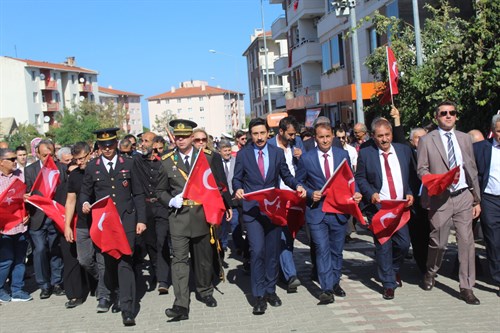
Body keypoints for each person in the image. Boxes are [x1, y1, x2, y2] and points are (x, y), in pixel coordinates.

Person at [156, 119, 231, 321]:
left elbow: (218, 186)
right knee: (179, 261)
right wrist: (170, 200)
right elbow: (159, 190)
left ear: (191, 137)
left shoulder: (206, 157)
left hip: (201, 215)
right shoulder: (166, 160)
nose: (180, 140)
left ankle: (205, 291)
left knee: (203, 258)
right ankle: (181, 304)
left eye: (184, 137)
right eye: (177, 137)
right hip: (178, 218)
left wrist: (223, 208)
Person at [232, 117, 306, 315]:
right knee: (257, 252)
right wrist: (238, 189)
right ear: (250, 135)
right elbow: (237, 178)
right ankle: (258, 296)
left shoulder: (276, 153)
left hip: (273, 210)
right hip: (253, 211)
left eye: (262, 133)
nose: (259, 138)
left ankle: (270, 290)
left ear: (268, 133)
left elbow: (286, 175)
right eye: (255, 134)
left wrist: (297, 185)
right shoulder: (243, 155)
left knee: (272, 252)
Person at [80, 128, 147, 326]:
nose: (107, 149)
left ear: (116, 144)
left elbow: (139, 194)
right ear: (98, 147)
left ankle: (128, 309)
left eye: (110, 144)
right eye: (103, 145)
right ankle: (116, 295)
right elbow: (85, 191)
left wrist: (141, 220)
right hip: (106, 225)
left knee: (125, 261)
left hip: (126, 221)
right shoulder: (93, 166)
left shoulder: (129, 163)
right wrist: (84, 203)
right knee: (109, 263)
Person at [417, 100, 481, 305]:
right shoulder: (427, 140)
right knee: (439, 242)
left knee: (467, 242)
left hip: (463, 196)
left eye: (452, 113)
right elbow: (422, 170)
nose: (448, 116)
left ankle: (467, 286)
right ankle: (431, 270)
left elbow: (471, 168)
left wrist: (476, 198)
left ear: (456, 116)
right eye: (443, 113)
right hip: (440, 197)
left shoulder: (464, 139)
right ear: (437, 117)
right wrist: (436, 181)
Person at [296, 123, 361, 304]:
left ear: (332, 136)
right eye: (321, 137)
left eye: (327, 136)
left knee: (336, 251)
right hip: (317, 212)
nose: (324, 140)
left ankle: (334, 282)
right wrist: (310, 193)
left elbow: (350, 179)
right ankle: (326, 289)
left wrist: (355, 193)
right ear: (315, 138)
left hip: (338, 210)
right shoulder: (307, 159)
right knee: (322, 249)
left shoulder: (342, 155)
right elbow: (299, 182)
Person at [355, 117, 414, 300]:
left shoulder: (404, 151)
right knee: (383, 246)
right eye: (380, 136)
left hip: (399, 208)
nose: (384, 139)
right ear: (373, 136)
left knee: (403, 245)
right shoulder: (367, 154)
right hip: (379, 208)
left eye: (387, 135)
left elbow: (410, 175)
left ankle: (394, 269)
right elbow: (360, 178)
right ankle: (388, 283)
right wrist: (370, 193)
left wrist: (410, 192)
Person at [64, 142, 108, 310]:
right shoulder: (74, 176)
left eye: (82, 158)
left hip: (100, 223)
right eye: (76, 160)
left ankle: (104, 294)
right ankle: (105, 280)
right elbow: (70, 201)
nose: (80, 162)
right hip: (82, 224)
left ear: (90, 154)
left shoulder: (100, 170)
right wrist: (67, 225)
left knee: (102, 260)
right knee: (84, 260)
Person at [24, 139, 65, 300]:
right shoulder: (30, 171)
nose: (48, 158)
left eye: (51, 155)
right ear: (37, 155)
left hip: (54, 216)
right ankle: (44, 285)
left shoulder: (61, 168)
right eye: (44, 155)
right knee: (40, 250)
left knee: (55, 249)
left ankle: (57, 282)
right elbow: (26, 191)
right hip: (37, 217)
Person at [268, 116, 304, 293]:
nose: (292, 137)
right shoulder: (269, 146)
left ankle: (283, 271)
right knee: (282, 235)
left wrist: (301, 157)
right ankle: (291, 275)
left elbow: (305, 168)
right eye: (290, 134)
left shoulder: (297, 145)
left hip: (295, 197)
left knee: (289, 236)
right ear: (280, 131)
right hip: (276, 199)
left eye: (294, 134)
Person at [134, 131, 172, 295]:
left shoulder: (165, 162)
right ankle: (157, 273)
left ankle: (163, 280)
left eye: (146, 141)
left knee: (162, 240)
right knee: (150, 243)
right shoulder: (137, 161)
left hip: (162, 206)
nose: (142, 144)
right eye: (141, 141)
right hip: (146, 208)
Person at [473, 114, 500, 297]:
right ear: (493, 131)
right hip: (490, 199)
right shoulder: (481, 148)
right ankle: (498, 279)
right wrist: (475, 200)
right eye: (499, 131)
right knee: (493, 240)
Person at [0, 148, 32, 302]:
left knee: (20, 259)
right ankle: (0, 289)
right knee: (6, 260)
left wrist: (27, 213)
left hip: (20, 225)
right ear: (1, 162)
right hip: (4, 228)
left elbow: (23, 198)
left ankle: (17, 289)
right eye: (11, 159)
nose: (15, 161)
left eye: (15, 158)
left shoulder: (20, 175)